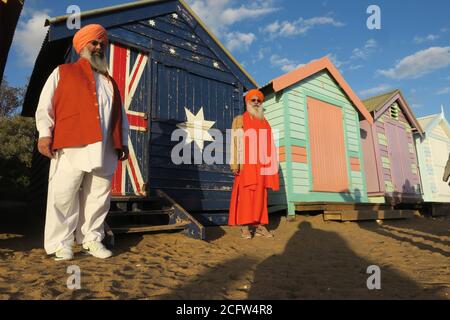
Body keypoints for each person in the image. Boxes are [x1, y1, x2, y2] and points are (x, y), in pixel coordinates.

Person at [35, 24, 129, 260]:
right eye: (94, 43)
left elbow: (121, 117)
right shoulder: (62, 72)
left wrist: (123, 142)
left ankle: (92, 240)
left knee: (98, 197)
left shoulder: (111, 83)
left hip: (106, 148)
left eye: (101, 44)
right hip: (72, 143)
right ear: (82, 46)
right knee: (63, 194)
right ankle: (60, 243)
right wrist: (45, 133)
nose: (98, 47)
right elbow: (45, 105)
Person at [228, 89, 280, 239]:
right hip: (246, 165)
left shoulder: (265, 122)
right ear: (247, 102)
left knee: (261, 197)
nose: (256, 103)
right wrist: (234, 163)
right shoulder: (239, 120)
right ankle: (245, 227)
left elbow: (270, 145)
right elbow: (235, 143)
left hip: (262, 166)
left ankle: (260, 227)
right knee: (245, 195)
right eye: (253, 100)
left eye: (259, 101)